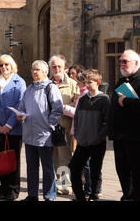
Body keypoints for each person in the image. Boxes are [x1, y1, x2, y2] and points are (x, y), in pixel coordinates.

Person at [17, 60, 63, 201]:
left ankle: (49, 195)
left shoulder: (51, 88)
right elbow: (22, 107)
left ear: (45, 72)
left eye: (37, 69)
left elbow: (57, 109)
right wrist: (20, 114)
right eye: (33, 69)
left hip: (45, 135)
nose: (34, 72)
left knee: (47, 168)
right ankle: (32, 194)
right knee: (31, 168)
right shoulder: (29, 89)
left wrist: (49, 125)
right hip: (30, 134)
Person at [0, 54, 26, 201]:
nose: (4, 67)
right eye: (1, 65)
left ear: (12, 66)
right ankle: (3, 189)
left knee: (12, 160)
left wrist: (9, 125)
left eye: (7, 65)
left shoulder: (19, 82)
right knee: (1, 159)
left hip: (13, 129)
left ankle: (13, 191)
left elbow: (20, 104)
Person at [68, 69, 110, 201]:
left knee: (95, 171)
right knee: (74, 168)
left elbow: (107, 122)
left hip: (97, 142)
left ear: (97, 83)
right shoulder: (83, 99)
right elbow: (78, 118)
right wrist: (78, 135)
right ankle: (79, 196)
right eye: (85, 82)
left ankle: (94, 195)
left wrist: (98, 137)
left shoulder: (104, 99)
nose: (87, 85)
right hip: (82, 141)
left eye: (90, 82)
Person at [108, 49, 140, 201]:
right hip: (120, 135)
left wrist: (127, 102)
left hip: (135, 136)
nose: (121, 64)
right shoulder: (121, 81)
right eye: (120, 61)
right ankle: (127, 196)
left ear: (136, 63)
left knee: (136, 170)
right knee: (122, 170)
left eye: (125, 61)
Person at [49, 55, 79, 195]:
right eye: (54, 67)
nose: (57, 69)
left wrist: (64, 107)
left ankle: (64, 184)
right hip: (49, 127)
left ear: (64, 68)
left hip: (64, 126)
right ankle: (59, 182)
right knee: (54, 157)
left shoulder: (72, 84)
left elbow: (77, 103)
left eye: (59, 66)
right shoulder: (46, 84)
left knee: (64, 157)